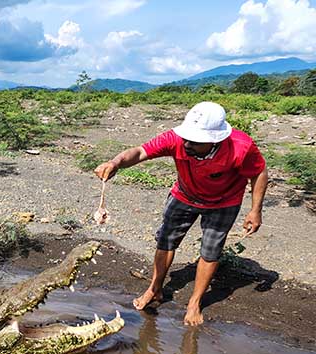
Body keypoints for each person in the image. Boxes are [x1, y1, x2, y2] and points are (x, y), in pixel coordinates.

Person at [94, 101, 268, 326]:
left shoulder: (240, 147)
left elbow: (259, 172)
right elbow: (140, 152)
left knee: (211, 250)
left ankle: (195, 302)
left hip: (223, 203)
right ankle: (155, 289)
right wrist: (115, 162)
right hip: (184, 195)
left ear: (215, 139)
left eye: (195, 141)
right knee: (166, 241)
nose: (187, 143)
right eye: (186, 137)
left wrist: (256, 210)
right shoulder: (176, 139)